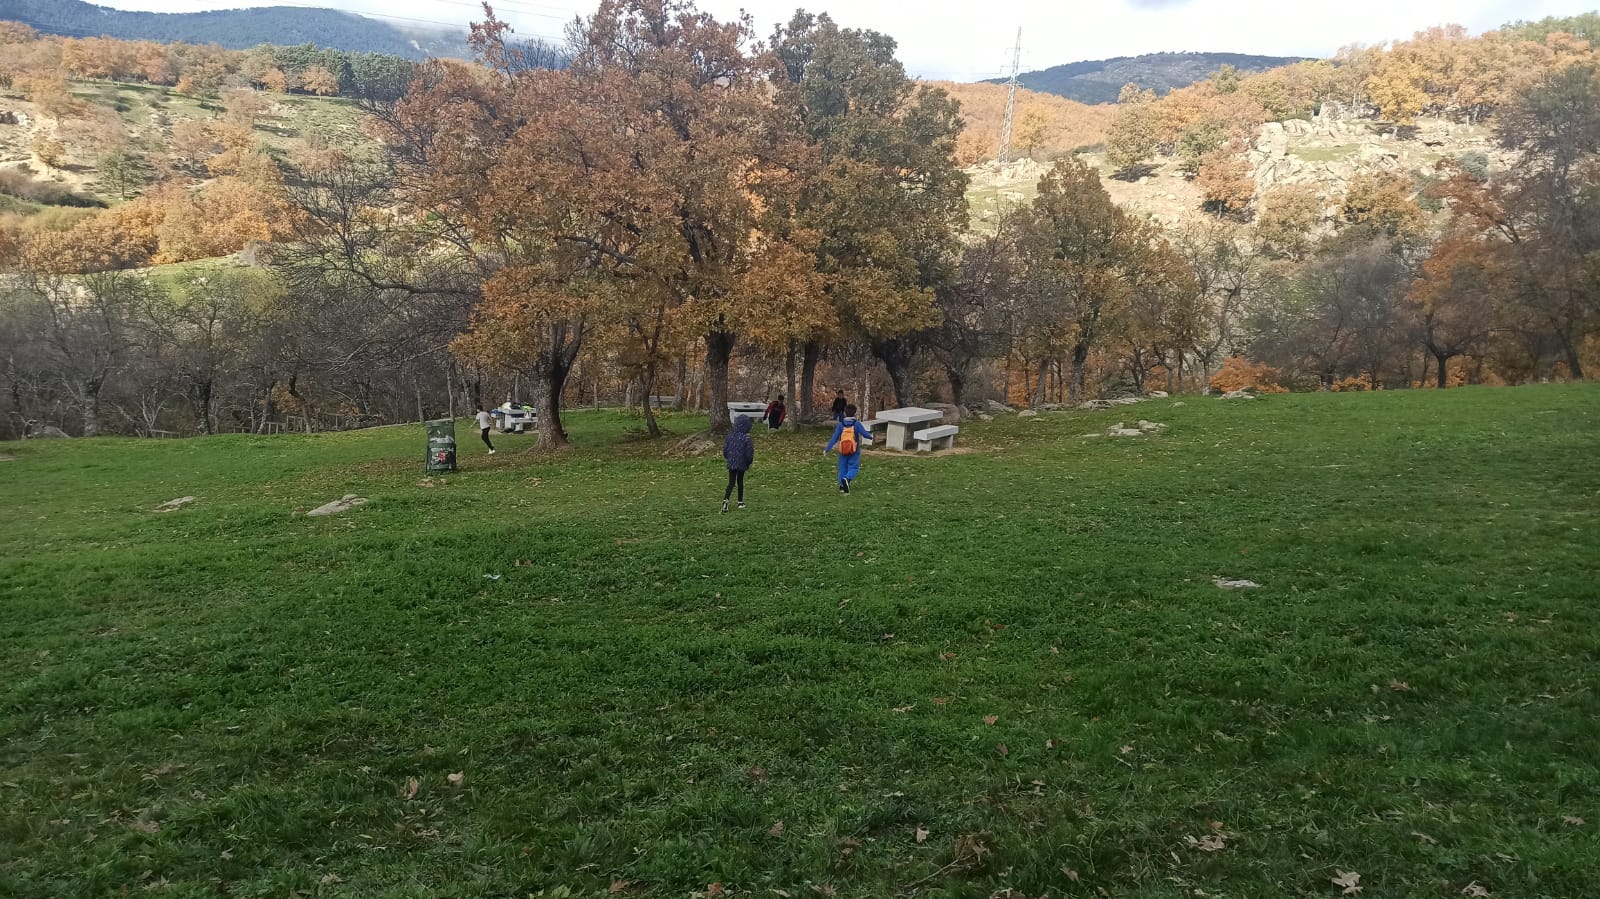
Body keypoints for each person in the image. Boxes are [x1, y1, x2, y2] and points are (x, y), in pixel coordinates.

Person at [824, 403, 872, 494]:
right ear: (855, 413)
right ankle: (847, 478)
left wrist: (827, 449)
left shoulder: (841, 425)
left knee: (842, 467)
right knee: (854, 468)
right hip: (854, 450)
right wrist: (871, 437)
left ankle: (842, 486)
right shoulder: (856, 424)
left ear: (845, 413)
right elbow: (865, 434)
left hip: (843, 450)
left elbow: (834, 438)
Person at [722, 414, 754, 512]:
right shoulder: (746, 438)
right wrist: (749, 461)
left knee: (731, 482)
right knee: (740, 481)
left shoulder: (730, 436)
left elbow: (725, 450)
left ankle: (725, 500)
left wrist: (728, 458)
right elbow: (749, 452)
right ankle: (740, 502)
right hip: (742, 463)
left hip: (731, 462)